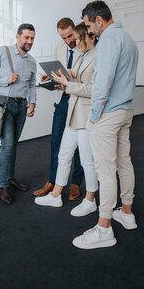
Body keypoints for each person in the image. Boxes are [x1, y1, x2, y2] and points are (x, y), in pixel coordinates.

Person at [72, 0, 139, 249]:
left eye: (89, 26)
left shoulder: (109, 39)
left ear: (99, 20)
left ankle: (104, 228)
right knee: (124, 163)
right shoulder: (128, 39)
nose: (89, 31)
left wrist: (93, 116)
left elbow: (103, 82)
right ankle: (127, 213)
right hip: (126, 111)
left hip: (108, 114)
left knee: (105, 170)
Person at [34, 23, 98, 217]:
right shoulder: (81, 54)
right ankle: (55, 196)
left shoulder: (98, 56)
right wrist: (60, 78)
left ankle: (90, 200)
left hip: (86, 114)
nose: (74, 43)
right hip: (72, 111)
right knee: (63, 154)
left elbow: (93, 89)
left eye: (78, 39)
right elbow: (76, 76)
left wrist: (67, 84)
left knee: (87, 160)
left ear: (91, 37)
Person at [0, 23, 37, 205]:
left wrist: (32, 102)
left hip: (21, 106)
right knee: (7, 145)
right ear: (18, 37)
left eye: (32, 38)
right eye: (26, 37)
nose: (29, 41)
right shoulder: (2, 52)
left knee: (13, 145)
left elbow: (31, 85)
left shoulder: (32, 61)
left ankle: (11, 178)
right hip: (2, 104)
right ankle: (4, 185)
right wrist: (5, 80)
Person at [33, 18, 85, 200]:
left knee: (79, 146)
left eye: (70, 35)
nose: (68, 40)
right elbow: (58, 72)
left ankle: (75, 184)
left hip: (78, 101)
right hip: (62, 100)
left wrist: (70, 79)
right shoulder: (59, 48)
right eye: (63, 37)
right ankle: (52, 181)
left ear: (74, 30)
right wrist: (51, 79)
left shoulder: (85, 45)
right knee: (55, 142)